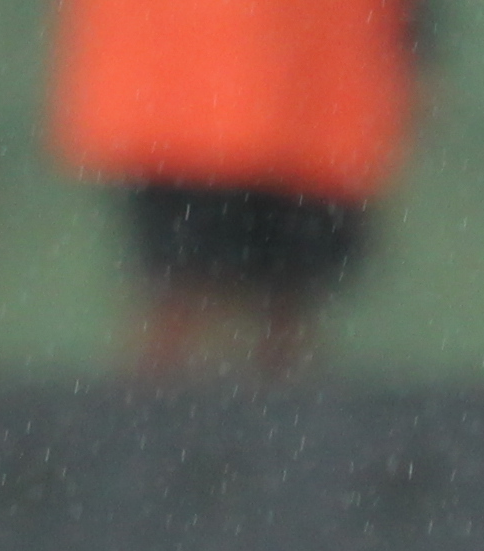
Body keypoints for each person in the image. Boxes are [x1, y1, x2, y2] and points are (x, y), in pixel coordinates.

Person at [53, 0, 423, 377]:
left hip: (215, 92)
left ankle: (157, 416)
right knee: (243, 310)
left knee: (205, 306)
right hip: (267, 95)